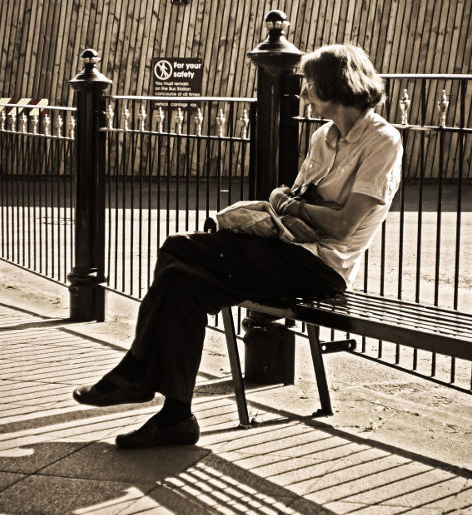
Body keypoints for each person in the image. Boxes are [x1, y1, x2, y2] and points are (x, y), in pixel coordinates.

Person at [73, 43, 403, 448]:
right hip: (284, 250)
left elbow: (345, 224)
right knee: (180, 285)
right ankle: (176, 418)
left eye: (310, 84)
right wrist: (290, 205)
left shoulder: (382, 141)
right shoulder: (323, 137)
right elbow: (296, 199)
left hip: (321, 268)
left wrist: (294, 206)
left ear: (335, 86)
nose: (303, 93)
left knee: (178, 248)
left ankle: (136, 371)